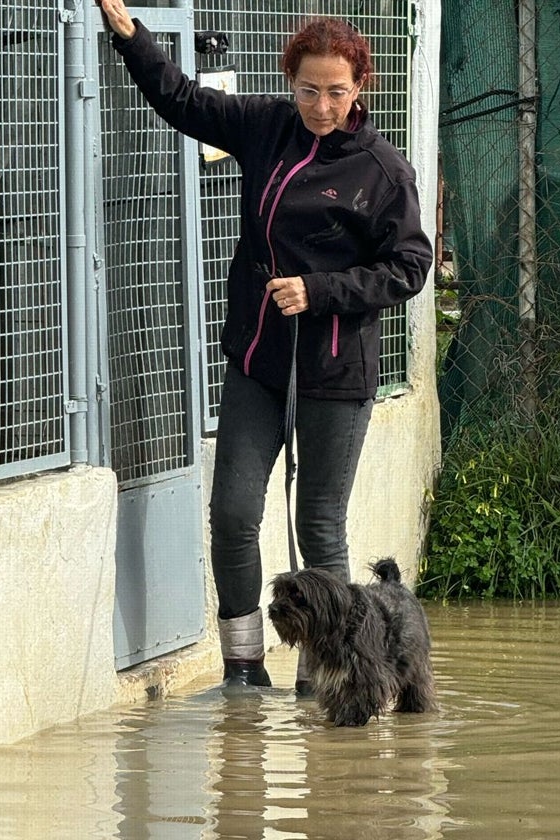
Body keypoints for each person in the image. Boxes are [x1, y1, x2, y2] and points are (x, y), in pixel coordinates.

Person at [98, 1, 433, 693]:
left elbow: (408, 267)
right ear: (291, 83)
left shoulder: (382, 169)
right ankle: (244, 667)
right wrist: (132, 37)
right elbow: (183, 101)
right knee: (232, 514)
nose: (320, 105)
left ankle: (331, 674)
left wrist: (322, 290)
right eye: (308, 89)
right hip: (258, 360)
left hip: (336, 370)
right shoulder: (263, 127)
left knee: (319, 525)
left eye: (337, 91)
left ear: (359, 87)